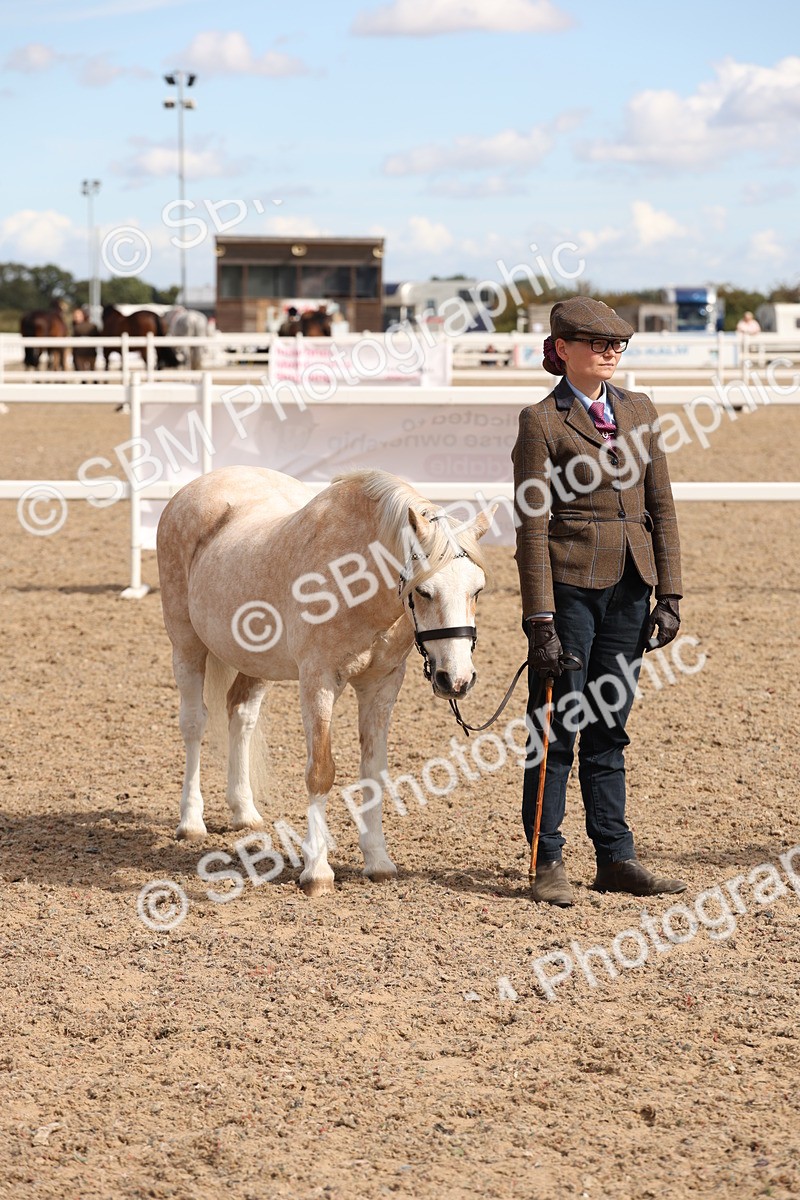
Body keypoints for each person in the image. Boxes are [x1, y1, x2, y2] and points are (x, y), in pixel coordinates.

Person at [512, 297, 687, 906]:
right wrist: (539, 618)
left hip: (632, 590)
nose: (611, 353)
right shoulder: (541, 422)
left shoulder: (639, 410)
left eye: (618, 345)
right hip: (568, 592)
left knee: (610, 727)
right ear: (562, 349)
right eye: (597, 344)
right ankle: (546, 857)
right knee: (557, 725)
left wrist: (670, 591)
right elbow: (532, 525)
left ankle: (616, 856)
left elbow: (661, 507)